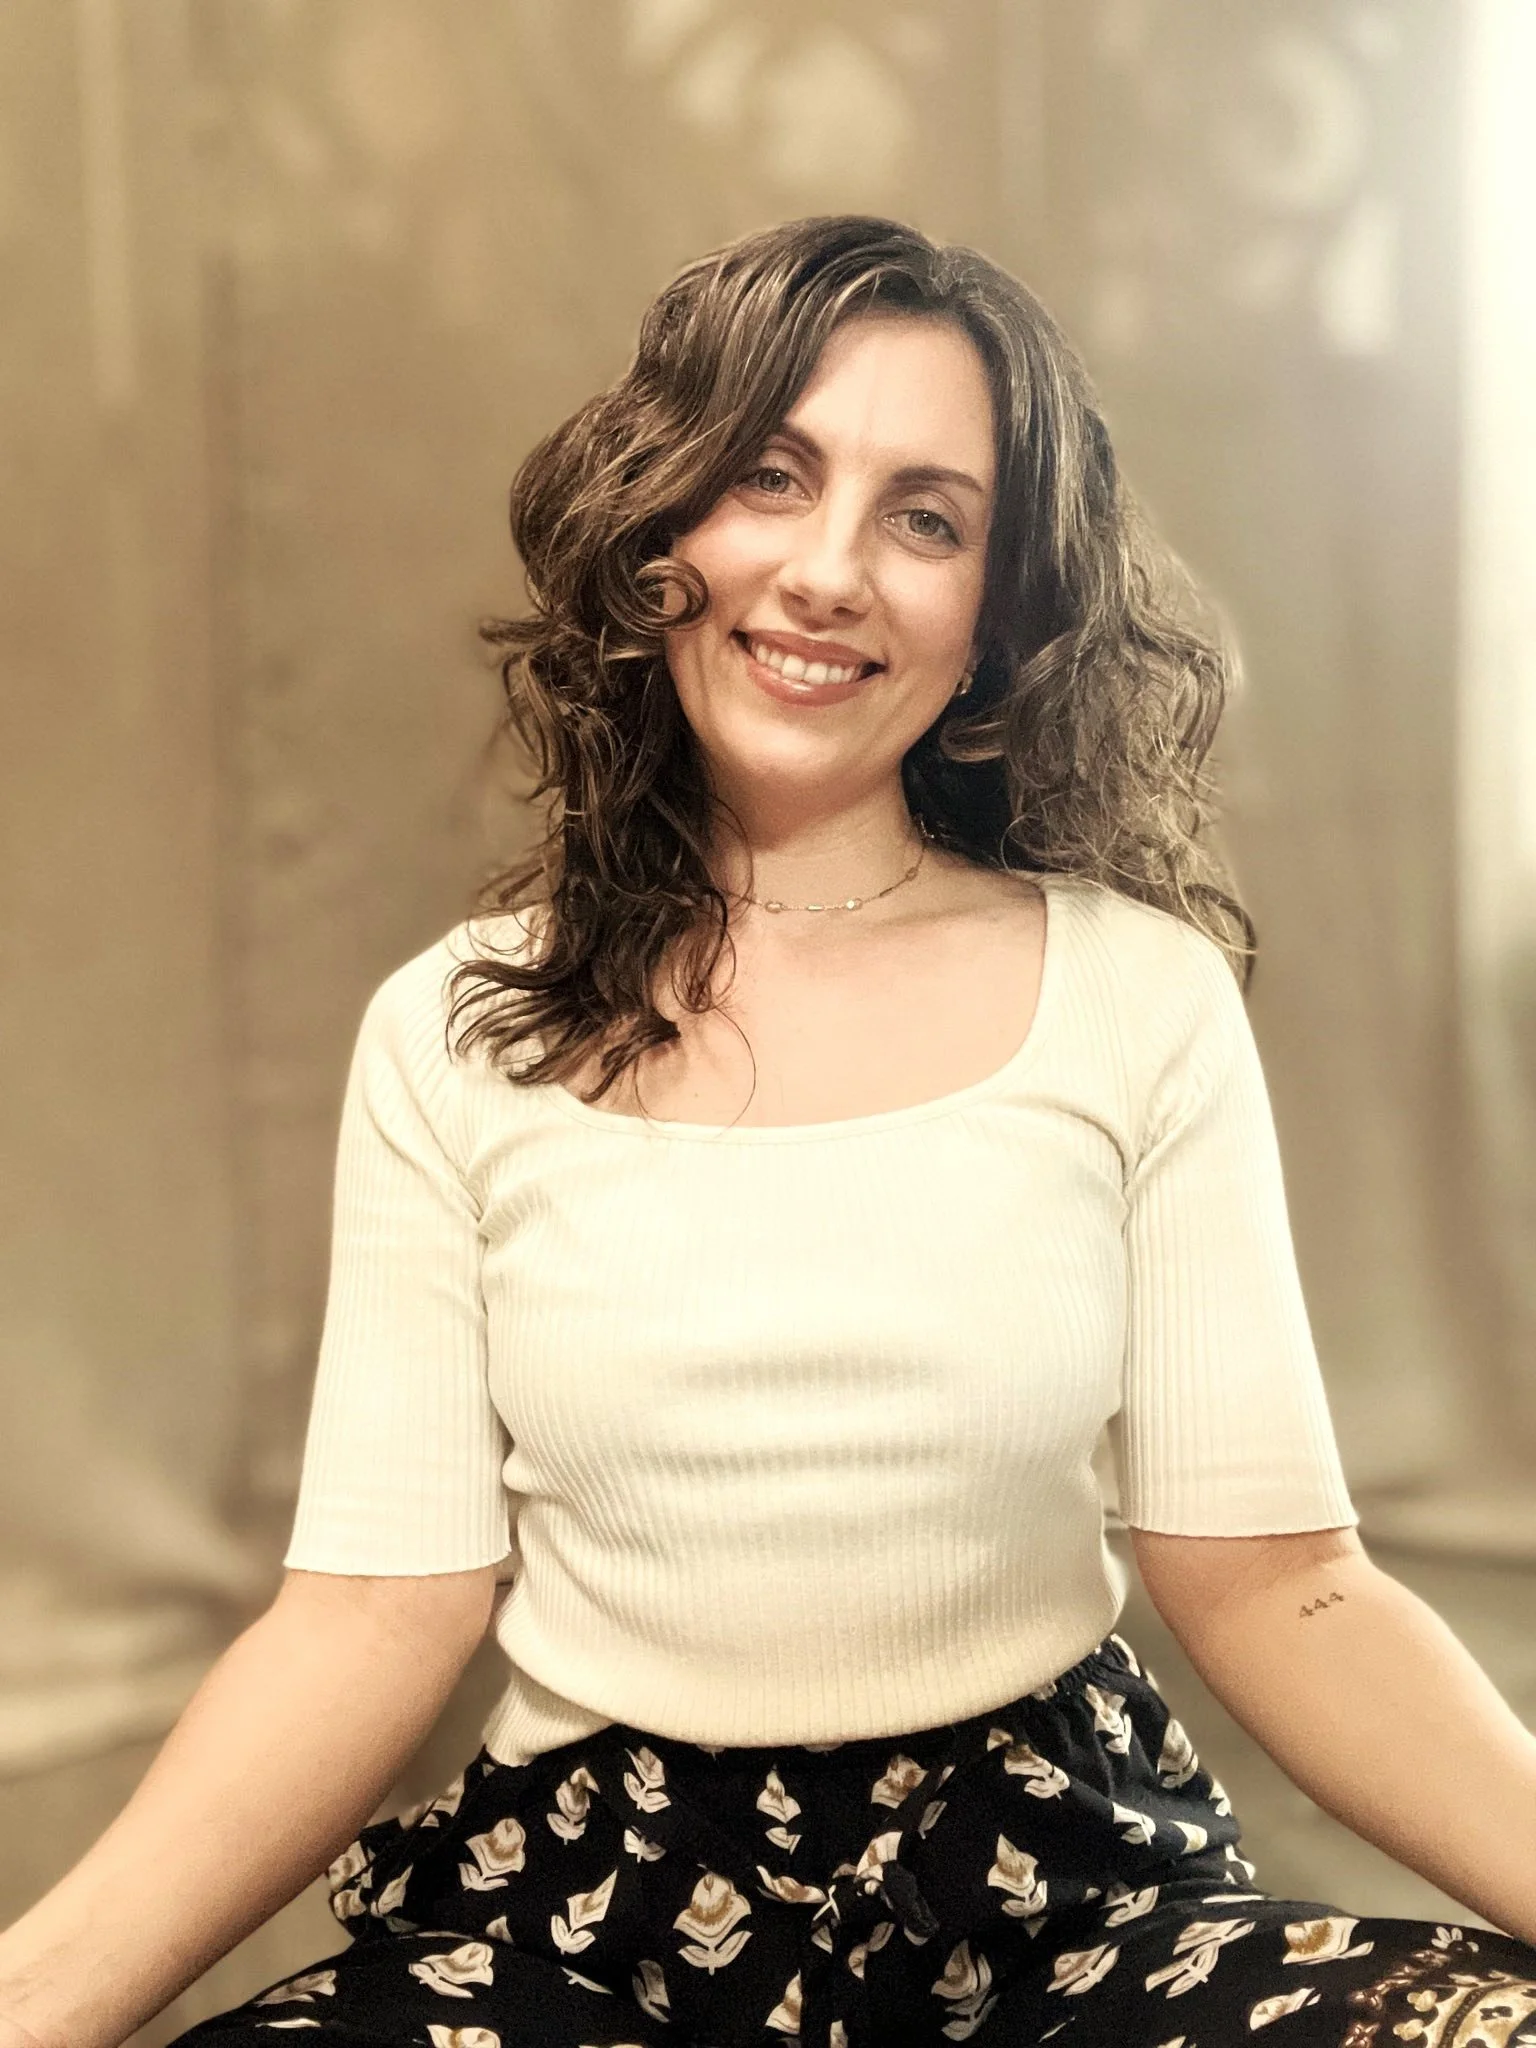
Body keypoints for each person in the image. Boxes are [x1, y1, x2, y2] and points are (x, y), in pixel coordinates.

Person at [3, 215, 1535, 2048]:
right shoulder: (455, 1030)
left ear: (995, 614)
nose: (828, 573)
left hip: (1058, 1910)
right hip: (588, 1929)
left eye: (926, 519)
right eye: (771, 478)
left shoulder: (1139, 998)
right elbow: (367, 1620)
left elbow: (1283, 1585)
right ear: (658, 526)